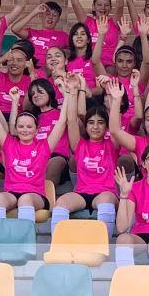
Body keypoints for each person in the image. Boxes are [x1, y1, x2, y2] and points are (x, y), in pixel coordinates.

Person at [0, 68, 72, 221]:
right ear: (16, 128)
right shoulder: (9, 143)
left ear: (37, 130)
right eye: (21, 127)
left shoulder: (43, 146)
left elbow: (62, 122)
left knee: (25, 199)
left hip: (35, 196)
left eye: (29, 127)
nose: (25, 130)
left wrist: (67, 95)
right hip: (11, 193)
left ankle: (26, 241)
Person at [52, 88, 119, 236]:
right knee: (61, 203)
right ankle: (57, 245)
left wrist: (114, 98)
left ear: (106, 126)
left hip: (105, 192)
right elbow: (71, 121)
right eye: (91, 123)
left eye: (100, 123)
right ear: (86, 126)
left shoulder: (111, 144)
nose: (95, 127)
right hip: (82, 192)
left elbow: (115, 129)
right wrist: (71, 93)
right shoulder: (80, 144)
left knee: (106, 201)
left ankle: (104, 245)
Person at [65, 0, 123, 67]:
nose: (103, 8)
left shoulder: (113, 22)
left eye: (106, 5)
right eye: (99, 5)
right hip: (88, 64)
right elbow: (75, 4)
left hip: (108, 66)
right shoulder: (87, 22)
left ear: (110, 8)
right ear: (93, 7)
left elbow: (120, 6)